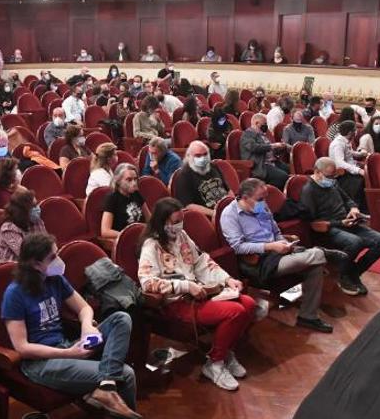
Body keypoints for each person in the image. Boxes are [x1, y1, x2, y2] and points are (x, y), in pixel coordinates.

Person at [1, 233, 142, 419]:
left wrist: (86, 327)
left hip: (67, 346)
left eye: (57, 254)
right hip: (41, 363)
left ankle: (106, 386)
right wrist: (68, 353)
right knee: (127, 374)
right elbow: (23, 348)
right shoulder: (14, 294)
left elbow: (83, 307)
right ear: (35, 264)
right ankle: (107, 388)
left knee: (121, 318)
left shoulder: (55, 280)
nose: (58, 260)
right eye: (52, 258)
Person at [138, 198, 253, 390]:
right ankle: (215, 364)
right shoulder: (151, 245)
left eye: (180, 220)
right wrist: (184, 286)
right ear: (162, 222)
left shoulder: (182, 236)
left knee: (248, 303)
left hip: (200, 292)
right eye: (174, 222)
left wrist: (227, 279)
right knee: (235, 312)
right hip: (177, 302)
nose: (179, 225)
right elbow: (148, 283)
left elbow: (201, 262)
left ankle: (224, 352)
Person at [220, 179, 333, 333]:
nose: (264, 202)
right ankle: (323, 253)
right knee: (317, 256)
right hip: (257, 262)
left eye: (265, 198)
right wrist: (271, 247)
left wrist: (283, 244)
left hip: (278, 252)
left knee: (316, 265)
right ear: (245, 198)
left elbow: (276, 232)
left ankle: (308, 317)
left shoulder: (260, 206)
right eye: (260, 199)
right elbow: (238, 247)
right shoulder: (229, 215)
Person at [301, 157, 380, 295]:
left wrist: (354, 208)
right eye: (329, 176)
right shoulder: (309, 190)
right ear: (317, 172)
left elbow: (348, 199)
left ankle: (353, 273)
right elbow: (311, 222)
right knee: (355, 242)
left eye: (334, 175)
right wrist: (339, 223)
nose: (332, 179)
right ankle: (343, 276)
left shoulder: (332, 183)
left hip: (346, 222)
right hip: (329, 228)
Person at [174, 141, 230, 217]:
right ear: (189, 156)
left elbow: (228, 190)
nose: (202, 158)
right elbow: (188, 206)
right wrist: (215, 214)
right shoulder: (184, 176)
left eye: (205, 154)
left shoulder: (213, 167)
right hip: (208, 216)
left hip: (227, 211)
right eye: (198, 155)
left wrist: (234, 205)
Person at [241, 114, 289, 190]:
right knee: (283, 177)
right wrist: (272, 146)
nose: (266, 126)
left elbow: (270, 149)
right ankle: (270, 195)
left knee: (290, 171)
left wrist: (279, 148)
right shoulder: (248, 134)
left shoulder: (262, 135)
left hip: (273, 161)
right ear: (256, 123)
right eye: (264, 124)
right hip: (260, 164)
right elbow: (253, 147)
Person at [0, 188, 47, 262]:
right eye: (33, 206)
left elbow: (47, 244)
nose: (37, 209)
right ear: (22, 211)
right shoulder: (8, 228)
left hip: (39, 264)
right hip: (15, 269)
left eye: (36, 204)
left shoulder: (36, 221)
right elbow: (26, 254)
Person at [101, 163, 147, 241]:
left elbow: (149, 219)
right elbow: (105, 231)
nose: (134, 183)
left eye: (135, 179)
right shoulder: (112, 198)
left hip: (141, 236)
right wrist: (128, 235)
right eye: (129, 179)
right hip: (125, 239)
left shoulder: (136, 194)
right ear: (118, 181)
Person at [329, 121, 367, 211]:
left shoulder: (346, 141)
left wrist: (360, 154)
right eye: (355, 130)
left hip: (350, 169)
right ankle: (356, 208)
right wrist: (358, 170)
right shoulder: (338, 144)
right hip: (341, 174)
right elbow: (339, 163)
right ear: (350, 132)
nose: (356, 132)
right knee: (361, 180)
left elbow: (350, 153)